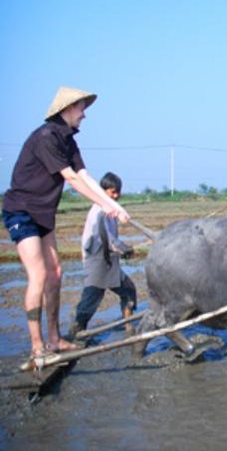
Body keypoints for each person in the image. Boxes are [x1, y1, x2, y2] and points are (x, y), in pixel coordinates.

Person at [2, 86, 131, 361]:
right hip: (21, 212)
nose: (84, 114)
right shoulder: (47, 137)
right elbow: (71, 180)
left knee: (57, 272)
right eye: (82, 108)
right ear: (67, 108)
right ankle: (37, 347)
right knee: (38, 275)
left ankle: (55, 339)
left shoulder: (68, 140)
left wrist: (114, 205)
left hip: (43, 214)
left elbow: (84, 175)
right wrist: (105, 205)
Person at [70, 172, 136, 338]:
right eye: (112, 192)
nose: (116, 196)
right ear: (102, 191)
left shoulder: (112, 211)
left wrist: (121, 249)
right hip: (97, 261)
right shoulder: (99, 211)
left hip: (109, 261)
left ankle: (128, 327)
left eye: (117, 192)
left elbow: (111, 240)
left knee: (128, 290)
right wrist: (124, 249)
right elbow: (106, 239)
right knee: (90, 301)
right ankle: (76, 334)